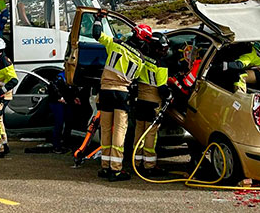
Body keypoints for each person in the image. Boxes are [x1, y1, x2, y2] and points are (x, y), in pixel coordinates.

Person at [92, 10, 151, 181]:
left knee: (105, 129)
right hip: (122, 93)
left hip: (105, 91)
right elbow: (135, 79)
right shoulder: (141, 59)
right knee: (119, 130)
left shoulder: (115, 44)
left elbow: (96, 34)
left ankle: (105, 166)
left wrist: (98, 19)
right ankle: (116, 170)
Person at [133, 32, 172, 177]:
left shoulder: (142, 58)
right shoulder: (161, 65)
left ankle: (136, 162)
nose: (165, 51)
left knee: (139, 131)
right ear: (157, 48)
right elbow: (162, 88)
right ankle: (149, 165)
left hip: (140, 100)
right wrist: (169, 95)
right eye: (163, 48)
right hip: (153, 102)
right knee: (150, 134)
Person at [47, 70, 81, 153]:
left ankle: (65, 143)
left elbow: (72, 89)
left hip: (66, 101)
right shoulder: (59, 77)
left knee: (68, 122)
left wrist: (74, 97)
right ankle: (57, 146)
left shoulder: (71, 76)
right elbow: (54, 88)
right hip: (57, 102)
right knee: (59, 123)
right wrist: (60, 97)